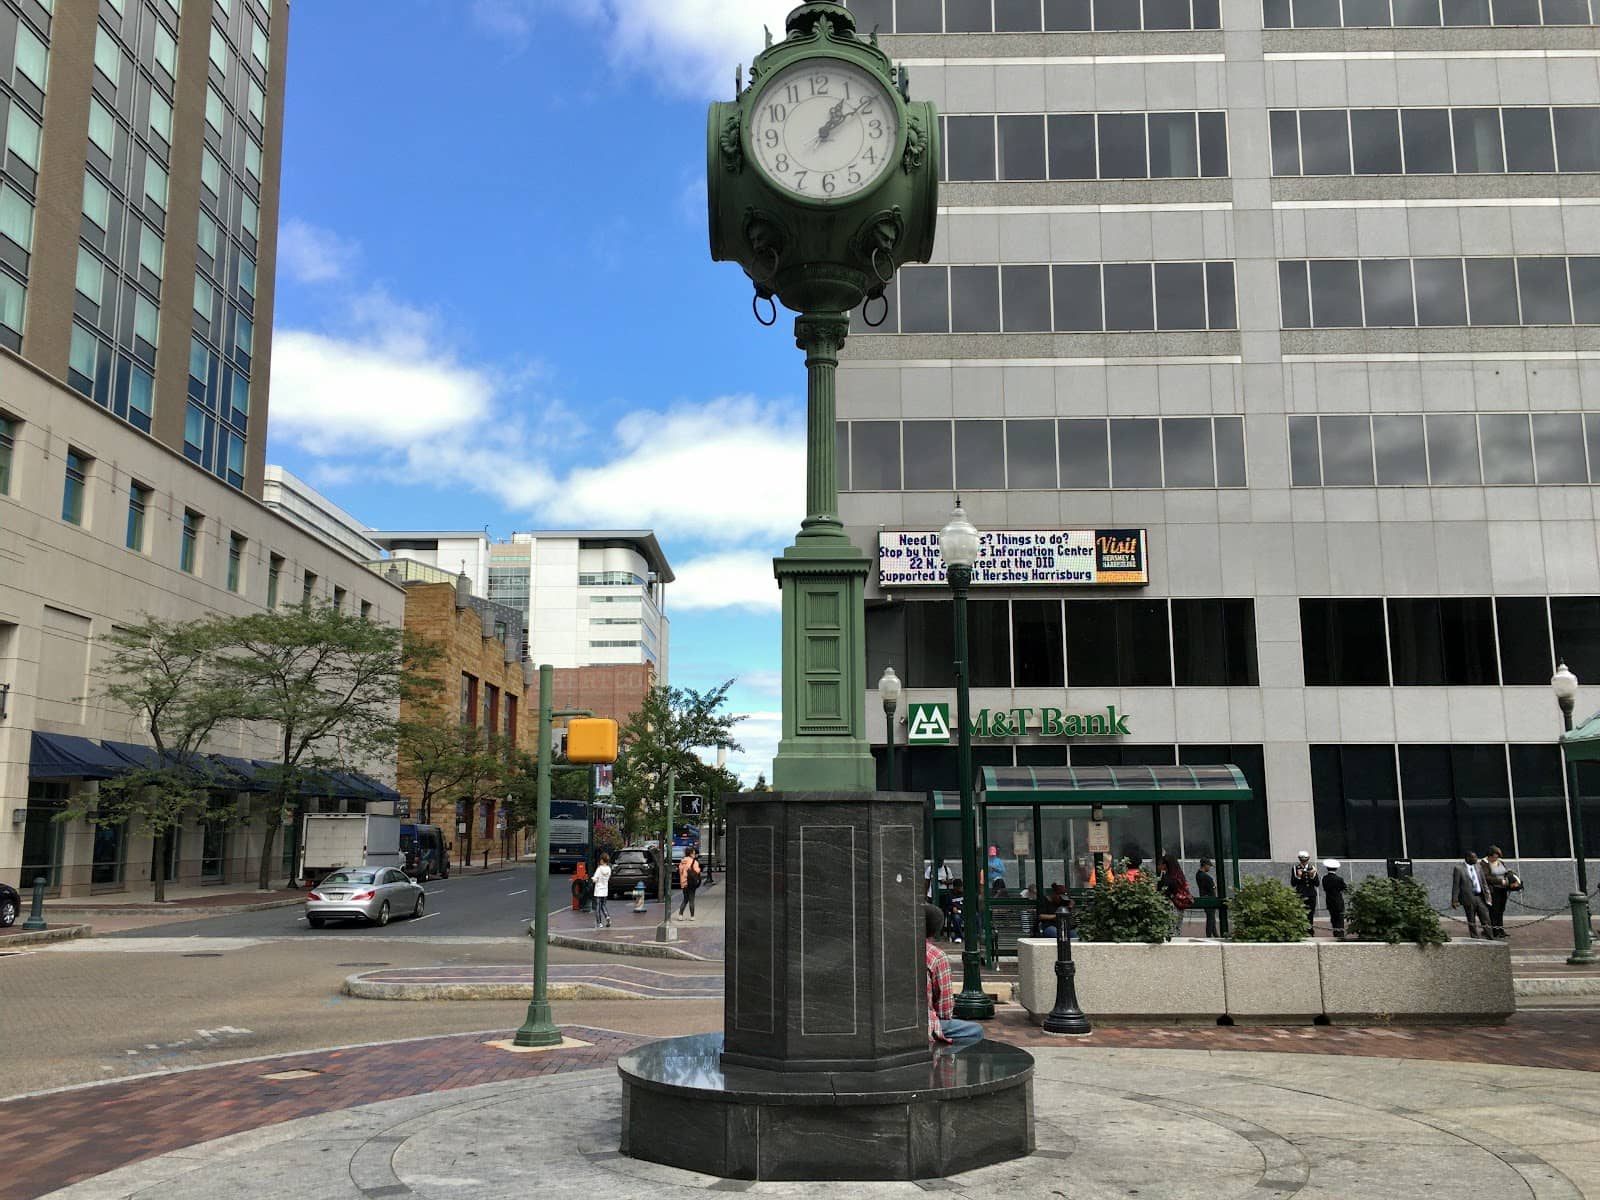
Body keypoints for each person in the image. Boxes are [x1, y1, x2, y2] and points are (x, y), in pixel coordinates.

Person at [924, 903, 983, 1046]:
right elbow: (945, 1007)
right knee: (976, 1031)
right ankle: (943, 1062)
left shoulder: (886, 949)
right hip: (924, 1025)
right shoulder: (936, 956)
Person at [1451, 851, 1492, 938]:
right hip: (1468, 898)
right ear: (1468, 858)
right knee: (1471, 919)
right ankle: (1474, 937)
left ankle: (1490, 936)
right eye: (1474, 857)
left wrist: (1488, 895)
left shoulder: (1478, 867)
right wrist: (1454, 900)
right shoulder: (1459, 869)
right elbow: (1456, 885)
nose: (1476, 859)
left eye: (1476, 857)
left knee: (1485, 918)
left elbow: (1483, 882)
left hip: (1480, 897)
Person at [1156, 853, 1192, 938]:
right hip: (1179, 905)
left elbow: (1163, 892)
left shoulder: (1167, 878)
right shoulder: (1179, 875)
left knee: (1170, 930)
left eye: (1160, 864)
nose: (1158, 866)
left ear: (1165, 865)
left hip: (1170, 906)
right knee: (1177, 929)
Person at [1481, 845, 1511, 939]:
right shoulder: (1484, 863)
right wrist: (1499, 881)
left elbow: (1505, 871)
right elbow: (1486, 877)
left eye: (1497, 856)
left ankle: (1501, 929)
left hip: (1503, 889)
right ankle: (1494, 930)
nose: (1496, 858)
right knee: (1494, 910)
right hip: (1493, 890)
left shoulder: (1500, 862)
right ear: (1489, 856)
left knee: (1501, 909)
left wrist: (1509, 875)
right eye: (1494, 856)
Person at [1291, 851, 1319, 932]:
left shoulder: (1312, 868)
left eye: (1305, 860)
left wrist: (1312, 876)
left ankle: (1310, 930)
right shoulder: (1295, 869)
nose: (1304, 862)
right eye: (1302, 860)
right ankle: (1302, 931)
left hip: (1311, 895)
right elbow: (1293, 883)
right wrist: (1299, 876)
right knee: (1301, 914)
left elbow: (1317, 884)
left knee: (1310, 914)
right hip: (1301, 895)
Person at [1321, 859, 1347, 939]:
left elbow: (1325, 888)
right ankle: (1340, 935)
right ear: (1336, 869)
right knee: (1340, 919)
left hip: (1329, 901)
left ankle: (1335, 934)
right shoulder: (1339, 879)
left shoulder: (1324, 878)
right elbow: (1344, 887)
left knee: (1333, 919)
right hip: (1338, 901)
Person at [1195, 857, 1219, 937]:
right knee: (1211, 919)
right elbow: (1213, 889)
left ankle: (1215, 934)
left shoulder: (1198, 875)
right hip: (1210, 899)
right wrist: (1214, 888)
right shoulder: (1207, 877)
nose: (1209, 867)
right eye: (1209, 865)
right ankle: (1210, 935)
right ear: (1205, 865)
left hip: (1203, 898)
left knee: (1211, 918)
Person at [677, 847, 702, 920]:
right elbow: (697, 871)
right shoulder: (694, 862)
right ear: (691, 854)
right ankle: (692, 916)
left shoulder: (682, 862)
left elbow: (680, 872)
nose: (695, 854)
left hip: (684, 883)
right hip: (691, 883)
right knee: (691, 899)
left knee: (685, 899)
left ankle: (680, 915)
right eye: (694, 853)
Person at [592, 852, 612, 929]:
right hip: (605, 890)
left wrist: (592, 879)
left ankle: (599, 923)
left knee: (597, 907)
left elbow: (595, 879)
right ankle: (607, 916)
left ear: (602, 860)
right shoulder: (609, 869)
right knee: (603, 905)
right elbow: (608, 878)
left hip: (598, 890)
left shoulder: (599, 869)